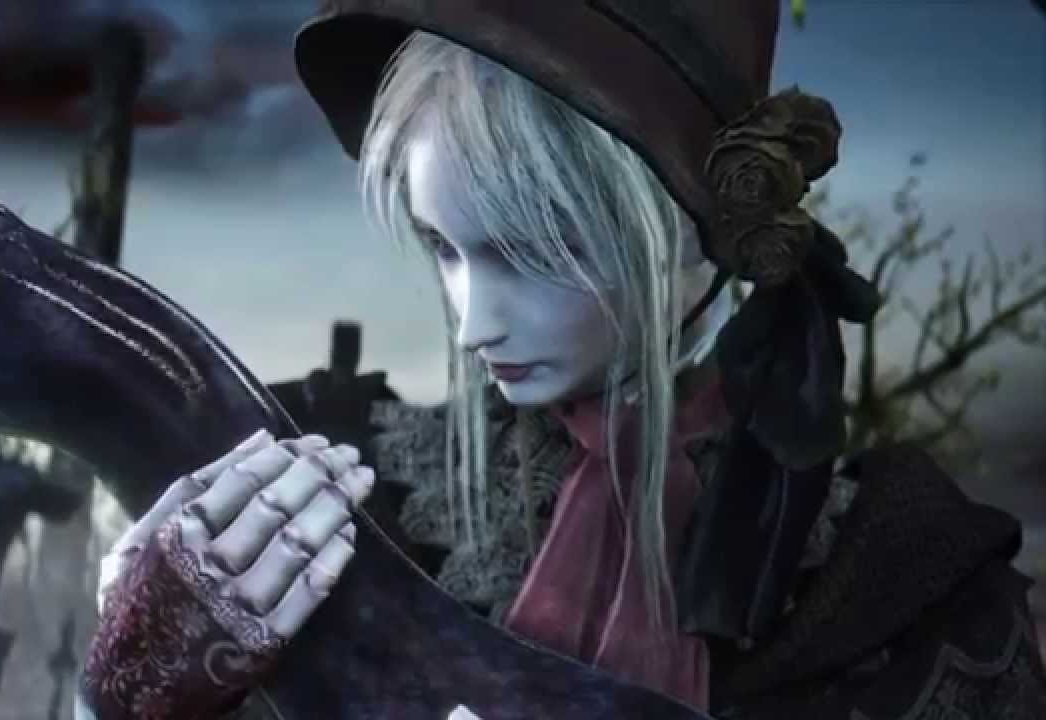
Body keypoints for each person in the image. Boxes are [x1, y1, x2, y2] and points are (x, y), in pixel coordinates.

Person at [78, 1, 1046, 718]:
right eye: (443, 246)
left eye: (537, 252)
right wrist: (132, 687)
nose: (473, 324)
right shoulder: (342, 498)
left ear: (692, 233)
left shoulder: (909, 586)